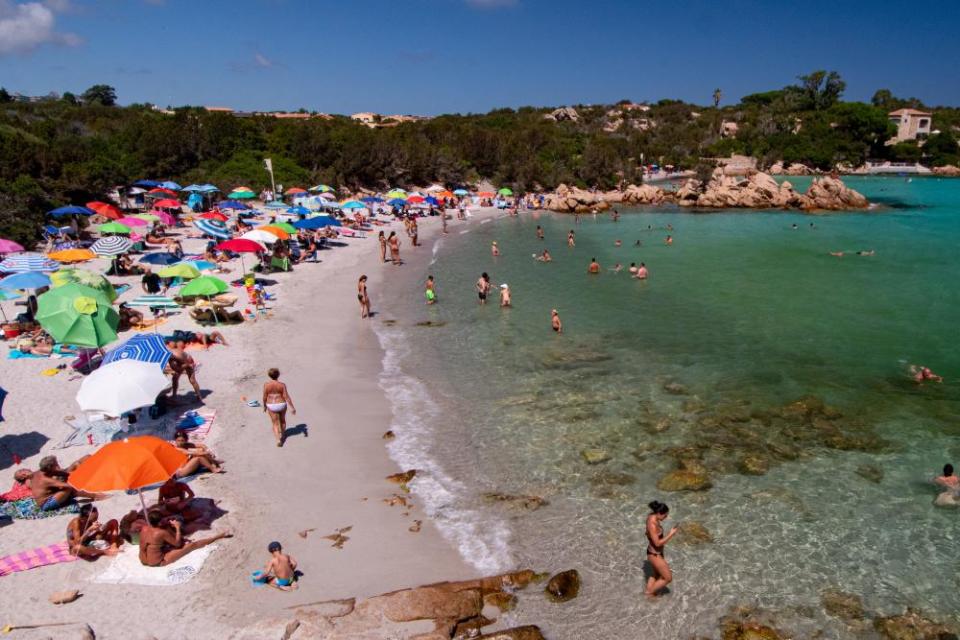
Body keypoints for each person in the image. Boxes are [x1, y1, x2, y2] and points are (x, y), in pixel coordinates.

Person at [139, 509, 230, 567]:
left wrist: (167, 526)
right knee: (192, 545)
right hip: (158, 562)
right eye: (163, 519)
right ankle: (217, 537)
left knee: (161, 545)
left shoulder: (144, 528)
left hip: (143, 560)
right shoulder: (161, 532)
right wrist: (177, 527)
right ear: (159, 522)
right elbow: (177, 544)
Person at [31, 456, 100, 511]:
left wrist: (76, 473)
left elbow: (64, 473)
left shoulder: (42, 472)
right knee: (69, 488)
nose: (58, 465)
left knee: (85, 458)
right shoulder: (45, 479)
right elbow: (69, 486)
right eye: (56, 464)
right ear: (50, 467)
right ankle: (96, 496)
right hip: (46, 503)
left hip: (52, 491)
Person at [645, 500, 678, 597]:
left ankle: (649, 594)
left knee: (656, 574)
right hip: (655, 554)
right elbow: (657, 543)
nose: (666, 517)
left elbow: (648, 534)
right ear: (659, 513)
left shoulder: (651, 516)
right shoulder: (652, 524)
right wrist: (671, 534)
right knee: (668, 578)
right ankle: (649, 593)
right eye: (665, 515)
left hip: (654, 552)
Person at [263, 368, 296, 447]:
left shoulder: (266, 385)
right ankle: (283, 435)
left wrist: (264, 406)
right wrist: (292, 407)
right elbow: (286, 396)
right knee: (283, 421)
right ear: (278, 375)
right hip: (281, 403)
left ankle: (278, 440)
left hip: (271, 404)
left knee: (275, 423)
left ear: (269, 375)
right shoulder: (282, 385)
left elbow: (264, 397)